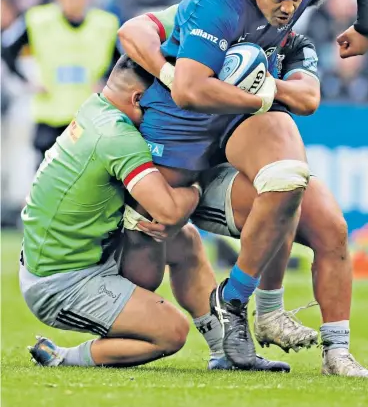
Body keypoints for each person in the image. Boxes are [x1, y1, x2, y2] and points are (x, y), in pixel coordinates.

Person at [118, 0, 368, 370]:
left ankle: (326, 346)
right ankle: (88, 304)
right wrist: (259, 95)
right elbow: (179, 80)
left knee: (322, 218)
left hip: (234, 129)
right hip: (180, 135)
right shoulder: (213, 1)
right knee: (151, 249)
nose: (288, 9)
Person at [24, 54, 288, 372]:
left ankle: (226, 353)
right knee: (170, 332)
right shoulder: (118, 138)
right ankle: (64, 358)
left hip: (82, 253)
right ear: (138, 98)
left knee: (185, 240)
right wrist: (197, 183)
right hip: (61, 282)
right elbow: (169, 211)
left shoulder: (96, 109)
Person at [1, 0, 122, 167]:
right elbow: (7, 50)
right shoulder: (38, 20)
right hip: (51, 112)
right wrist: (26, 80)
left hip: (88, 113)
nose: (72, 1)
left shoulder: (106, 23)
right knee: (46, 171)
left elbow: (122, 61)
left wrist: (106, 81)